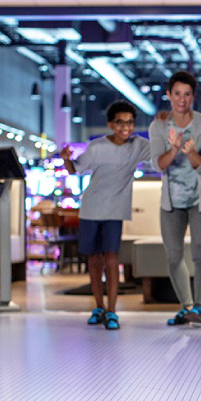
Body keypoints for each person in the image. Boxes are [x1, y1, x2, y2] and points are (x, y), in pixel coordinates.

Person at [61, 100, 151, 330]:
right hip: (91, 208)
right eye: (120, 123)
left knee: (112, 259)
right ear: (111, 124)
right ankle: (98, 307)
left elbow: (161, 152)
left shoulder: (138, 145)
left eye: (130, 123)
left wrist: (163, 126)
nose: (126, 128)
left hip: (115, 210)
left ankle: (112, 311)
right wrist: (65, 159)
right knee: (94, 260)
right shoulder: (97, 147)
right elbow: (75, 169)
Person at [149, 71, 201, 326]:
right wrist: (175, 148)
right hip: (171, 203)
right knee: (174, 256)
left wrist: (190, 153)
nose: (181, 99)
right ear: (169, 95)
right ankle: (186, 306)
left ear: (193, 97)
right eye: (177, 94)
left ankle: (199, 307)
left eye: (187, 94)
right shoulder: (159, 125)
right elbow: (158, 165)